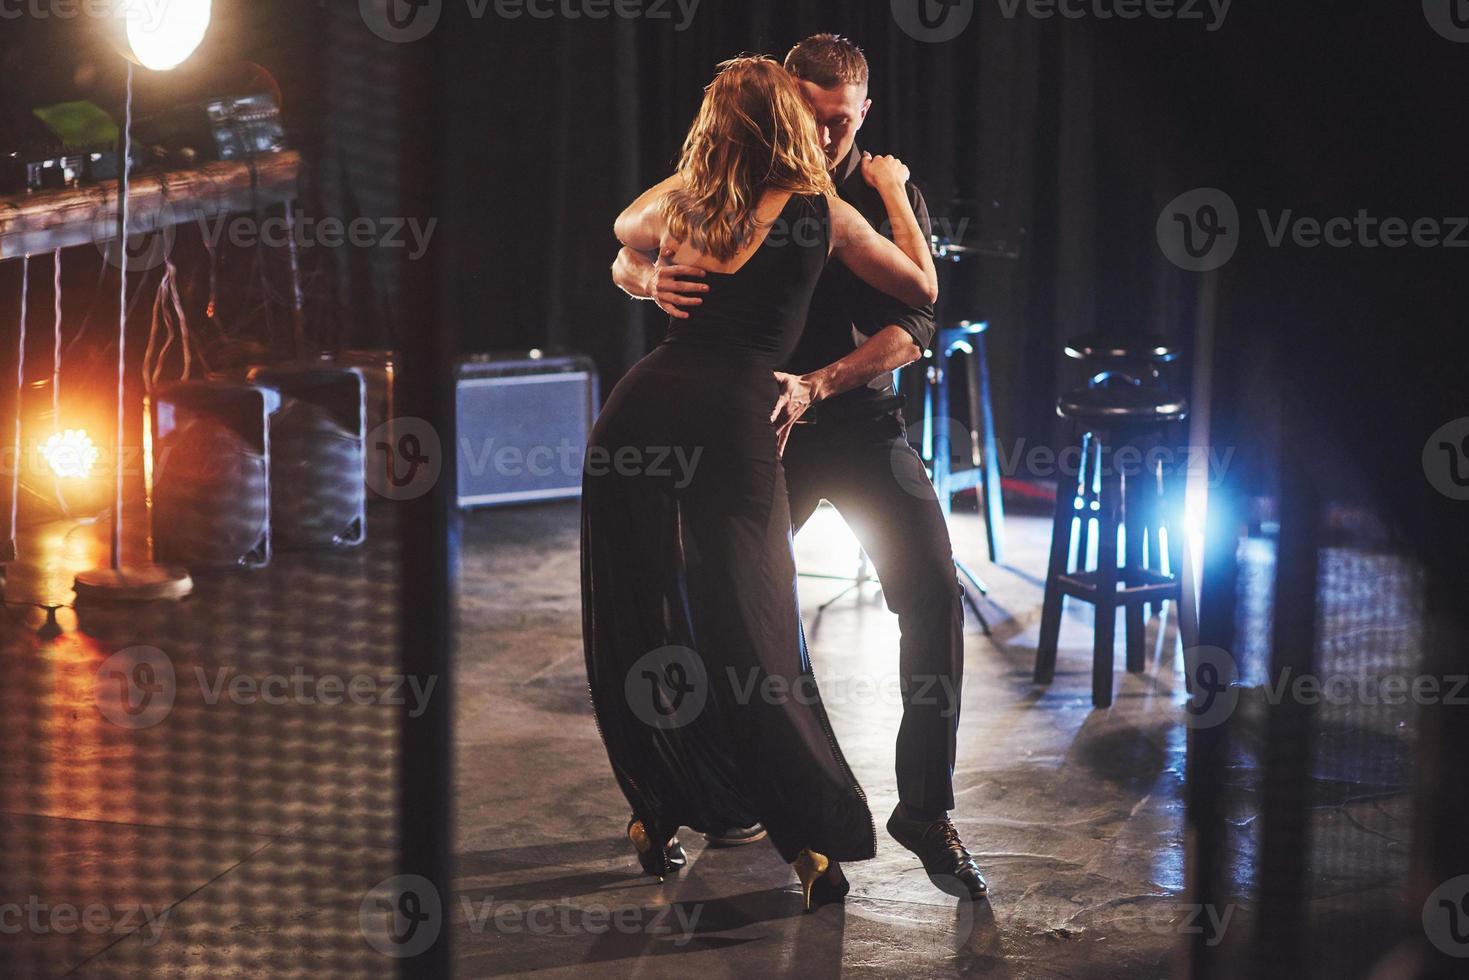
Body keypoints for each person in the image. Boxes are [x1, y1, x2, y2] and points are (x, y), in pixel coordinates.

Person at [611, 35, 988, 901]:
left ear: (865, 114)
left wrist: (819, 383)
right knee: (703, 603)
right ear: (787, 103)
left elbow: (920, 321)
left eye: (839, 122)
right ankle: (715, 786)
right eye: (810, 118)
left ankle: (924, 809)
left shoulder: (879, 194)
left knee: (931, 588)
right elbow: (636, 242)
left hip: (854, 425)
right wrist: (640, 277)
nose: (822, 138)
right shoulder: (741, 173)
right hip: (752, 433)